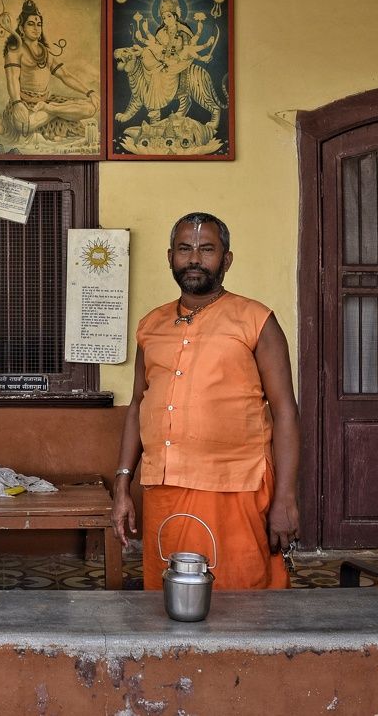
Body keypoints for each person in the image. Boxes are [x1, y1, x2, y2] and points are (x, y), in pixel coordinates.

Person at [111, 212, 300, 591]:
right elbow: (136, 405)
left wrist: (286, 499)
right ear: (170, 257)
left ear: (226, 260)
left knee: (243, 598)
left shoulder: (256, 320)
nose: (194, 258)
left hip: (237, 487)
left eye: (206, 249)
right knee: (172, 595)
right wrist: (122, 485)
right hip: (165, 488)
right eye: (185, 249)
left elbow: (284, 412)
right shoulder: (151, 325)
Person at [2, 0, 98, 141]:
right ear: (22, 29)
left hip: (46, 102)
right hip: (25, 104)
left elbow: (65, 76)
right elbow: (12, 79)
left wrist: (89, 92)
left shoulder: (45, 52)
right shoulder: (15, 51)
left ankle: (52, 109)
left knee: (91, 108)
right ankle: (59, 111)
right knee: (23, 125)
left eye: (39, 24)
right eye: (31, 24)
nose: (36, 28)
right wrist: (17, 103)